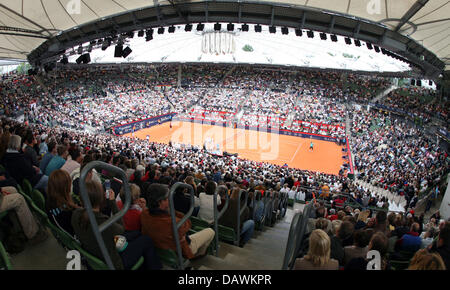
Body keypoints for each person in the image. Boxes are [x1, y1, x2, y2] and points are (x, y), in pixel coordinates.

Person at [71, 179, 162, 270]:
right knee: (147, 240)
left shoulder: (75, 214)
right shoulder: (103, 222)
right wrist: (112, 203)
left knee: (137, 234)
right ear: (101, 198)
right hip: (115, 263)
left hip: (97, 252)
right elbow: (122, 229)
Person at [141, 183, 215, 259]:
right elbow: (188, 223)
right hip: (181, 250)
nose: (170, 200)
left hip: (161, 248)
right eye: (167, 198)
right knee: (211, 231)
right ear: (160, 202)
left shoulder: (144, 214)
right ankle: (198, 254)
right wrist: (172, 211)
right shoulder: (173, 223)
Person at [46, 169, 80, 237]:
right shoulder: (68, 210)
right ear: (65, 187)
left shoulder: (49, 201)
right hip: (74, 235)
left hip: (63, 233)